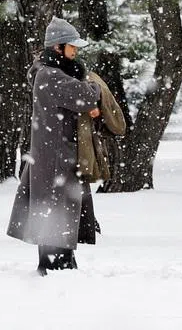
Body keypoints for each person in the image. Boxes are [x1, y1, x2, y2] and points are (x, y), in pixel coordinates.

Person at [7, 17, 107, 274]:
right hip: (54, 160)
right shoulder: (50, 76)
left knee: (59, 215)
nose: (76, 51)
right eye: (72, 46)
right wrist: (95, 85)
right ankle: (55, 269)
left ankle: (63, 265)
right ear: (57, 47)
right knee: (54, 215)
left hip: (58, 157)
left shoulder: (53, 73)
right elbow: (87, 95)